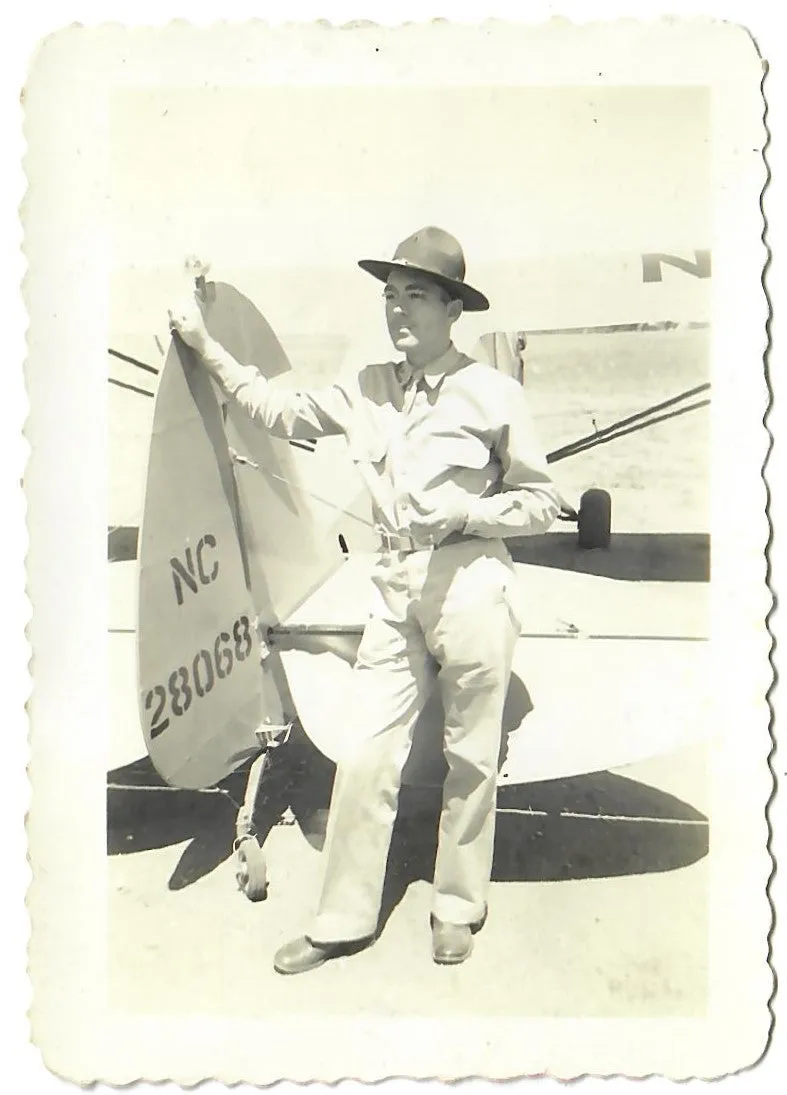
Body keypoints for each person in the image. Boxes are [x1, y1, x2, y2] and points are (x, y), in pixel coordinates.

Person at [168, 226, 561, 973]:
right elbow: (271, 408)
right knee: (364, 751)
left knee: (471, 756)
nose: (398, 310)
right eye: (389, 296)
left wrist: (471, 514)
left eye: (416, 295)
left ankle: (457, 905)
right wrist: (201, 341)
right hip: (391, 589)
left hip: (472, 580)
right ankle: (341, 919)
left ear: (452, 311)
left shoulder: (493, 392)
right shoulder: (368, 388)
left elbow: (544, 502)